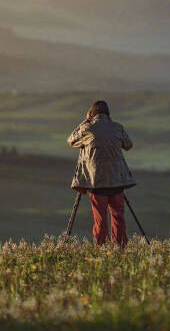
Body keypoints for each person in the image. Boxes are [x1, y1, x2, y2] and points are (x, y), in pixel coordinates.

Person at [67, 100, 136, 247]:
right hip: (117, 180)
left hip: (96, 181)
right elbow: (128, 145)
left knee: (101, 218)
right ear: (108, 114)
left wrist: (85, 121)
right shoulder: (117, 128)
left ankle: (101, 249)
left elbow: (71, 140)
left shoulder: (87, 128)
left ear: (91, 114)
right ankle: (120, 248)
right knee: (118, 216)